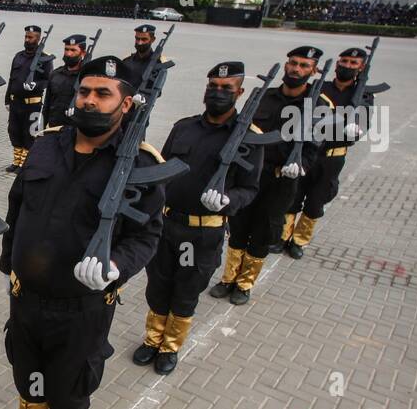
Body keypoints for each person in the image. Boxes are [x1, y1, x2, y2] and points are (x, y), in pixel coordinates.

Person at [0, 56, 166, 409]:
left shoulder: (142, 164)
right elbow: (17, 207)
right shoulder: (48, 144)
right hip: (27, 295)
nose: (89, 100)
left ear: (126, 104)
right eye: (85, 91)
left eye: (103, 93)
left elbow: (147, 235)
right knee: (27, 370)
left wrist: (115, 268)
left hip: (83, 305)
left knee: (69, 383)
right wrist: (10, 262)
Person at [134, 62, 263, 374]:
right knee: (158, 284)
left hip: (201, 233)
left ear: (240, 93)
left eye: (226, 89)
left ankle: (170, 346)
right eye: (213, 87)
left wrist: (228, 200)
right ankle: (152, 339)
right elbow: (160, 170)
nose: (217, 93)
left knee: (186, 288)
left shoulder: (249, 138)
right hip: (167, 224)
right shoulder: (184, 126)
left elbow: (250, 189)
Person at [210, 45, 324, 304]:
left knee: (262, 232)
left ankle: (245, 283)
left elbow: (315, 144)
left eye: (303, 65)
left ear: (313, 70)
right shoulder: (263, 95)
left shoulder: (316, 104)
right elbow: (242, 127)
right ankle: (228, 277)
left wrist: (301, 164)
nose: (296, 69)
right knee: (238, 226)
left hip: (280, 180)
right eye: (293, 63)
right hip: (250, 173)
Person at [281, 46, 370, 257]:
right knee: (293, 194)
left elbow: (362, 124)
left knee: (316, 201)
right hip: (307, 151)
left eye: (353, 63)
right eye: (344, 61)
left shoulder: (363, 95)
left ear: (361, 67)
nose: (347, 66)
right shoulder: (321, 88)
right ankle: (283, 235)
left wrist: (355, 129)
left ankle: (299, 240)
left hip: (332, 157)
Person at [5, 24, 52, 171]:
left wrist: (35, 85)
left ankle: (25, 163)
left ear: (38, 39)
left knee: (29, 133)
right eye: (26, 36)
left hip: (32, 104)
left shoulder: (45, 59)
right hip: (15, 102)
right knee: (14, 130)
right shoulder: (19, 56)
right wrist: (7, 99)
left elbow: (48, 80)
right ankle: (17, 161)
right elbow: (12, 78)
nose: (27, 39)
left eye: (30, 37)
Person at [40, 34, 86, 134]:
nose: (68, 54)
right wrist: (42, 129)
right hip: (53, 129)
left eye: (73, 50)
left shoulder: (87, 78)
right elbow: (47, 106)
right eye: (66, 49)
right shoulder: (55, 74)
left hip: (75, 132)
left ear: (83, 53)